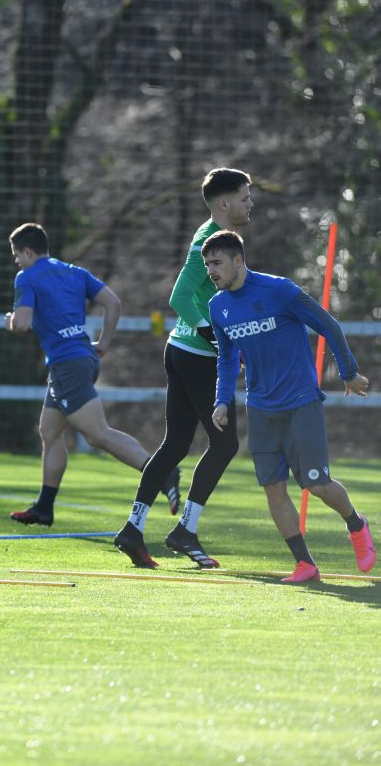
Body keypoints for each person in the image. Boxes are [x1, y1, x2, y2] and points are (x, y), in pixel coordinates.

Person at [203, 230, 374, 582]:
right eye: (207, 266)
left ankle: (356, 525)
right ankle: (305, 564)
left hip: (300, 402)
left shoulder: (279, 290)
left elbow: (328, 324)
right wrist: (222, 400)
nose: (212, 272)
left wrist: (349, 372)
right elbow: (226, 359)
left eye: (217, 263)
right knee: (273, 488)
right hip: (260, 408)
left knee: (316, 483)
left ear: (238, 260)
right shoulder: (216, 306)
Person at [114, 169, 253, 569]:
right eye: (245, 197)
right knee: (224, 444)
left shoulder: (218, 238)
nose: (250, 203)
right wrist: (215, 339)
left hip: (181, 351)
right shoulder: (204, 245)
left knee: (176, 445)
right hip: (195, 357)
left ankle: (133, 529)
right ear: (224, 203)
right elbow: (180, 297)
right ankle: (185, 531)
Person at [4, 223, 153, 526]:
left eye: (17, 256)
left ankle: (159, 471)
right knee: (49, 431)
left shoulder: (27, 276)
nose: (17, 262)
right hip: (84, 357)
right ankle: (44, 507)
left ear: (28, 252)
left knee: (98, 434)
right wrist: (105, 342)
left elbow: (21, 323)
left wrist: (10, 320)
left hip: (66, 364)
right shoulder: (73, 271)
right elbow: (113, 303)